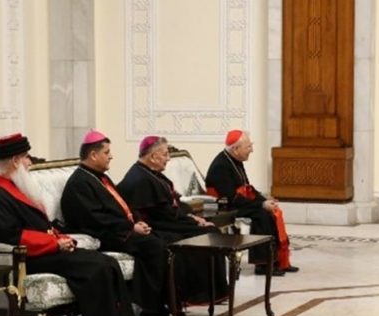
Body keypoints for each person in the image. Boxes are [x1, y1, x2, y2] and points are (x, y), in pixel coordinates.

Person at [0, 133, 155, 316]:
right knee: (96, 268)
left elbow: (43, 225)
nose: (30, 162)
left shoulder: (17, 187)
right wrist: (54, 243)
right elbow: (12, 237)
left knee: (107, 262)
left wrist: (61, 238)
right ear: (15, 161)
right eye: (26, 157)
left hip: (46, 250)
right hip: (27, 259)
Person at [61, 130, 170, 316]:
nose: (111, 156)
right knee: (154, 246)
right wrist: (130, 228)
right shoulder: (79, 182)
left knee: (159, 239)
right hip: (103, 235)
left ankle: (157, 301)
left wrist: (136, 221)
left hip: (117, 230)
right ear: (93, 155)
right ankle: (151, 308)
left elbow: (122, 205)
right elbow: (95, 218)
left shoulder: (99, 177)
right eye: (106, 152)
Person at [117, 136, 228, 304]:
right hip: (158, 226)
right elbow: (164, 213)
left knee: (210, 230)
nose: (168, 158)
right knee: (208, 233)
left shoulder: (150, 174)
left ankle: (212, 292)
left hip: (168, 221)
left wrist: (192, 217)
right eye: (165, 154)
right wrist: (193, 221)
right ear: (153, 157)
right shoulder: (141, 178)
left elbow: (174, 204)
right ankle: (199, 294)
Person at [205, 130, 298, 276]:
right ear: (236, 149)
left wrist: (264, 200)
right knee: (261, 215)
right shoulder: (221, 166)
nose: (252, 150)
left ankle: (278, 261)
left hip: (235, 203)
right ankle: (262, 264)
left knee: (269, 212)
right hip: (225, 207)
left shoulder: (235, 160)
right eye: (248, 147)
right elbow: (232, 198)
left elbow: (247, 189)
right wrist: (261, 205)